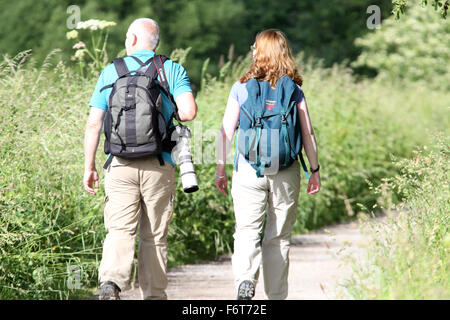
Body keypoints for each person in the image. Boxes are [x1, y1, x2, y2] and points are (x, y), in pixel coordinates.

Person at [83, 18, 197, 300]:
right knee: (154, 236)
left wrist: (90, 167)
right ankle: (154, 295)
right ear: (155, 41)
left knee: (120, 229)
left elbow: (93, 124)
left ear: (132, 39)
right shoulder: (170, 69)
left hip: (119, 163)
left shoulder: (112, 70)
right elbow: (189, 112)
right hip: (159, 164)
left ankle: (111, 283)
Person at [216, 29, 320, 300]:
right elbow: (308, 133)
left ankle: (245, 281)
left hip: (249, 168)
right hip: (285, 169)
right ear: (284, 52)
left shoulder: (241, 86)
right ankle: (275, 295)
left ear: (258, 53)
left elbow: (226, 131)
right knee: (278, 237)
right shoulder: (294, 90)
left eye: (254, 47)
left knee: (247, 230)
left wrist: (220, 168)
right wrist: (315, 170)